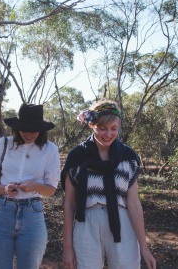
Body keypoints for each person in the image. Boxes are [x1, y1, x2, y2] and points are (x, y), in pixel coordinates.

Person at [61, 100, 156, 269]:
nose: (108, 134)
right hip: (86, 221)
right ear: (91, 125)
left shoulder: (128, 157)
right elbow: (69, 203)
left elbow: (133, 204)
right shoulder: (77, 156)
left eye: (114, 128)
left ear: (119, 126)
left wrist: (144, 248)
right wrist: (67, 248)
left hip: (121, 221)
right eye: (102, 128)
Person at [0, 103, 60, 269]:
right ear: (17, 127)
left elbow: (51, 190)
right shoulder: (3, 144)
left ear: (41, 129)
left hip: (32, 215)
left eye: (34, 130)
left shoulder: (50, 150)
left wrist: (34, 186)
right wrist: (4, 189)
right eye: (24, 129)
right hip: (1, 214)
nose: (29, 134)